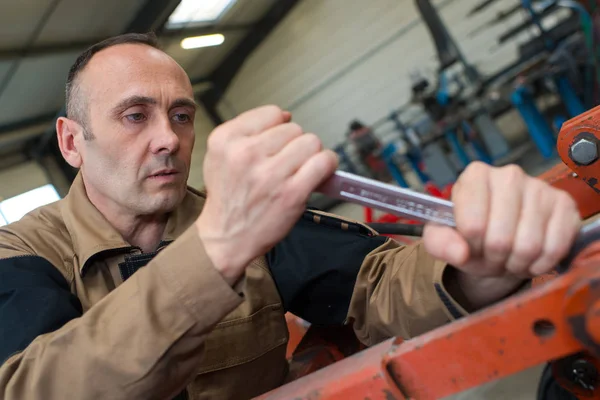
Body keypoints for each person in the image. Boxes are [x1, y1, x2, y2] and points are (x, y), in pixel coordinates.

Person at [0, 32, 581, 400]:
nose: (169, 139)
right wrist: (217, 251)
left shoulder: (249, 222)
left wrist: (476, 268)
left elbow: (378, 282)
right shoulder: (22, 255)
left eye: (181, 115)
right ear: (72, 143)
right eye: (135, 116)